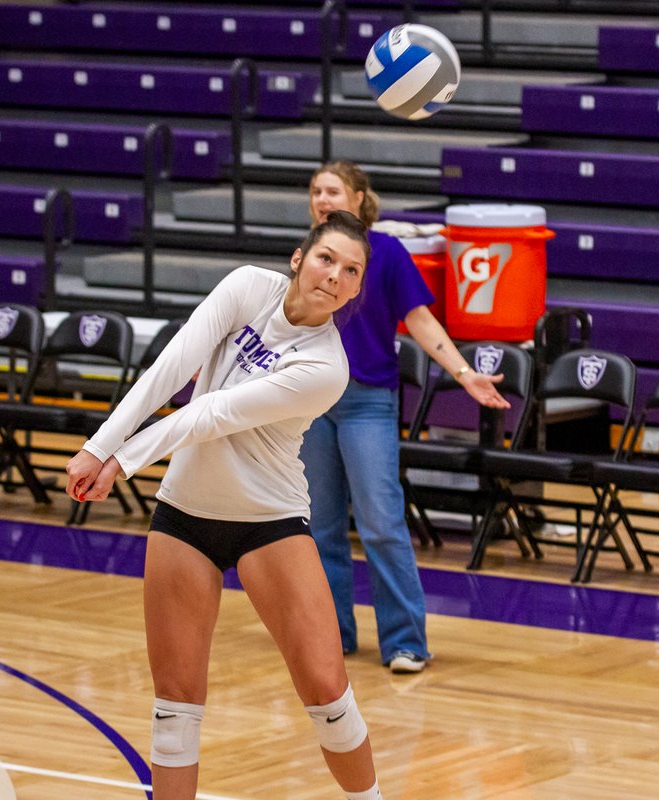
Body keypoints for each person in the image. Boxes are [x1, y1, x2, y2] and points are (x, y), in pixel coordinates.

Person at [64, 211, 386, 800]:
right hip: (184, 515)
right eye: (326, 259)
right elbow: (173, 368)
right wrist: (99, 444)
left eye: (350, 270)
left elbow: (213, 413)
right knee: (175, 708)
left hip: (269, 521)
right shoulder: (245, 287)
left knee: (326, 693)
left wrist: (121, 461)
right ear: (298, 257)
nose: (335, 275)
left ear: (358, 288)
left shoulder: (327, 367)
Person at [300, 161, 509, 675]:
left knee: (381, 524)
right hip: (309, 402)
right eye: (315, 192)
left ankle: (405, 642)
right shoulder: (308, 256)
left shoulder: (387, 252)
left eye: (333, 190)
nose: (323, 199)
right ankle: (334, 639)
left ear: (359, 197)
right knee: (319, 527)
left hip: (367, 402)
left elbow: (418, 318)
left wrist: (464, 374)